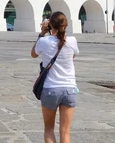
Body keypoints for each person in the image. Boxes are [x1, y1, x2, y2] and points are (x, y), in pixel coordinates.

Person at [31, 11, 79, 143]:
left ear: (50, 25)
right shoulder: (72, 41)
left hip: (50, 88)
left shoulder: (44, 41)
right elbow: (72, 57)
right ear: (66, 25)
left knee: (49, 129)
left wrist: (42, 33)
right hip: (69, 88)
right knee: (65, 131)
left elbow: (33, 54)